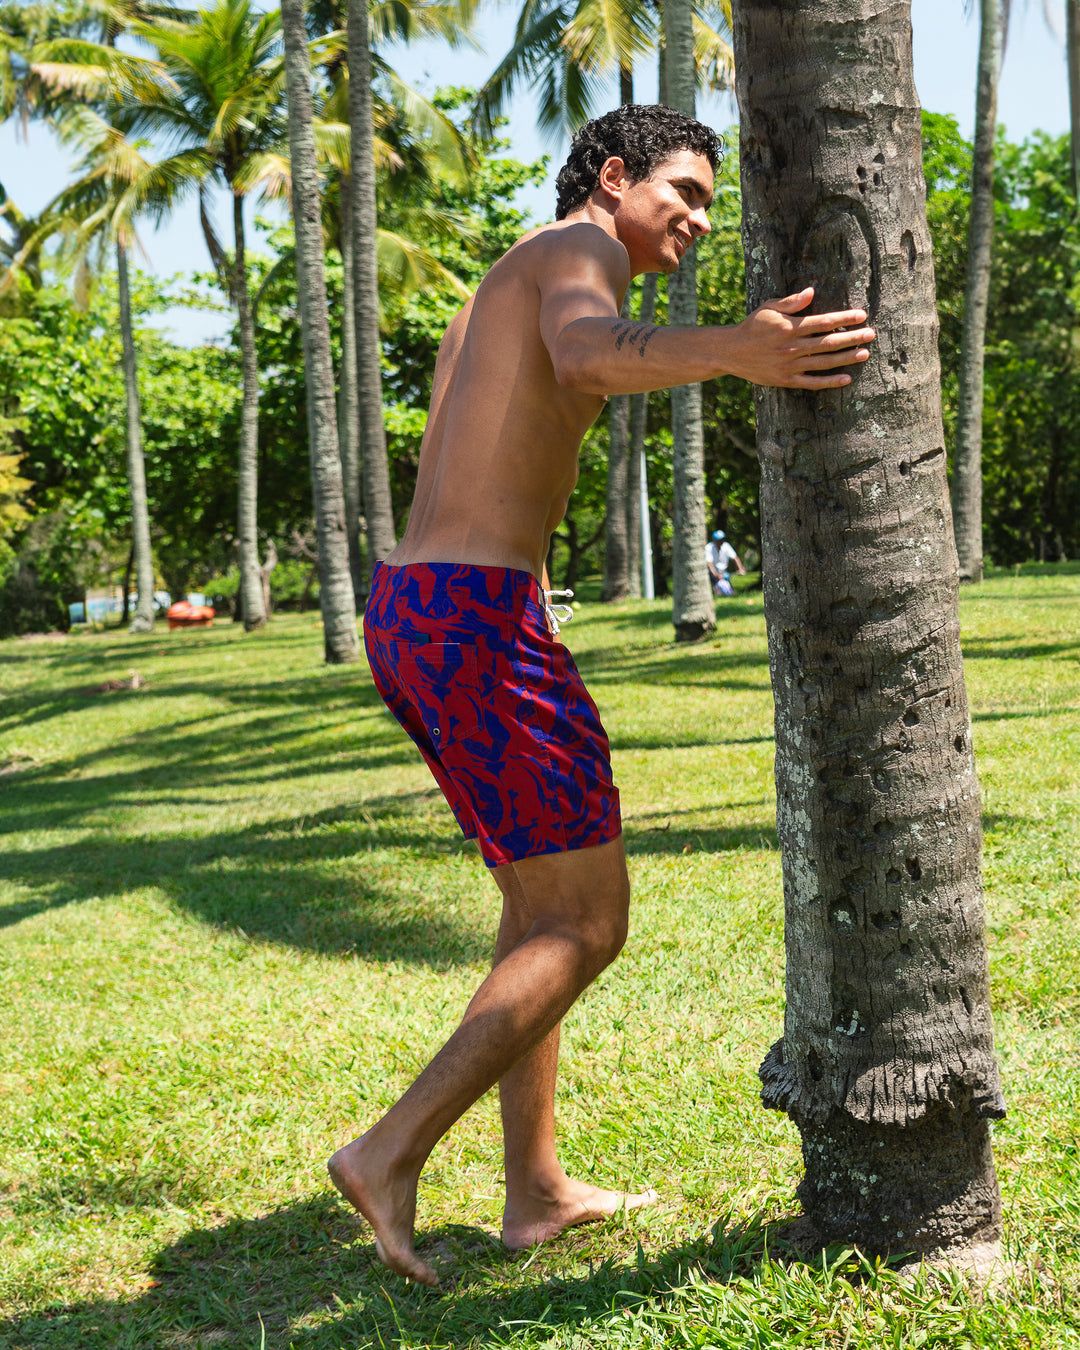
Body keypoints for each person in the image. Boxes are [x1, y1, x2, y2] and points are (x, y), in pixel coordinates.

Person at [329, 104, 876, 1287]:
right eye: (680, 190)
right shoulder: (576, 252)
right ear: (613, 176)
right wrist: (744, 346)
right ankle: (386, 1153)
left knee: (538, 916)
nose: (693, 219)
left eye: (706, 206)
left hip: (432, 610)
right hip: (474, 621)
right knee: (588, 924)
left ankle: (535, 1192)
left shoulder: (496, 280)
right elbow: (586, 356)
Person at [706, 530, 745, 596]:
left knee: (728, 591)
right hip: (713, 573)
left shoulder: (726, 546)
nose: (721, 542)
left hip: (723, 573)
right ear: (714, 540)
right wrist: (715, 574)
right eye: (718, 540)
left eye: (722, 540)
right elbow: (709, 563)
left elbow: (735, 558)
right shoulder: (709, 547)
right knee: (719, 589)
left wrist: (740, 569)